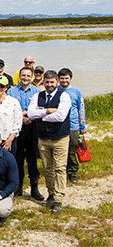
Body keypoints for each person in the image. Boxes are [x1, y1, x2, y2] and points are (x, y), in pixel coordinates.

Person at [28, 70, 72, 214]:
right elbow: (31, 114)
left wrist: (41, 114)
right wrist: (47, 111)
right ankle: (51, 194)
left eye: (52, 82)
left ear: (57, 82)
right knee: (47, 168)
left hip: (60, 137)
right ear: (44, 83)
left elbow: (60, 116)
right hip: (43, 138)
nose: (49, 85)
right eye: (47, 82)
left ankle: (58, 199)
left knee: (59, 168)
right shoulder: (37, 95)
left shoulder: (64, 96)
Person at [7, 66, 43, 200]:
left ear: (32, 77)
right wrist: (21, 118)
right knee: (18, 158)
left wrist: (29, 115)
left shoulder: (38, 92)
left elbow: (40, 109)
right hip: (17, 128)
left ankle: (35, 189)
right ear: (19, 76)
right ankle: (18, 187)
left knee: (33, 158)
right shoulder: (11, 91)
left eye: (28, 76)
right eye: (23, 75)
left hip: (33, 127)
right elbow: (9, 110)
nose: (25, 78)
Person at [57, 68, 86, 184]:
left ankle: (72, 172)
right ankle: (60, 172)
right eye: (62, 78)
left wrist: (82, 126)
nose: (64, 81)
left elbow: (81, 109)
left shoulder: (76, 92)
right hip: (59, 125)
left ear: (70, 79)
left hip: (73, 125)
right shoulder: (55, 90)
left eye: (66, 78)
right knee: (59, 150)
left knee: (72, 150)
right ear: (58, 79)